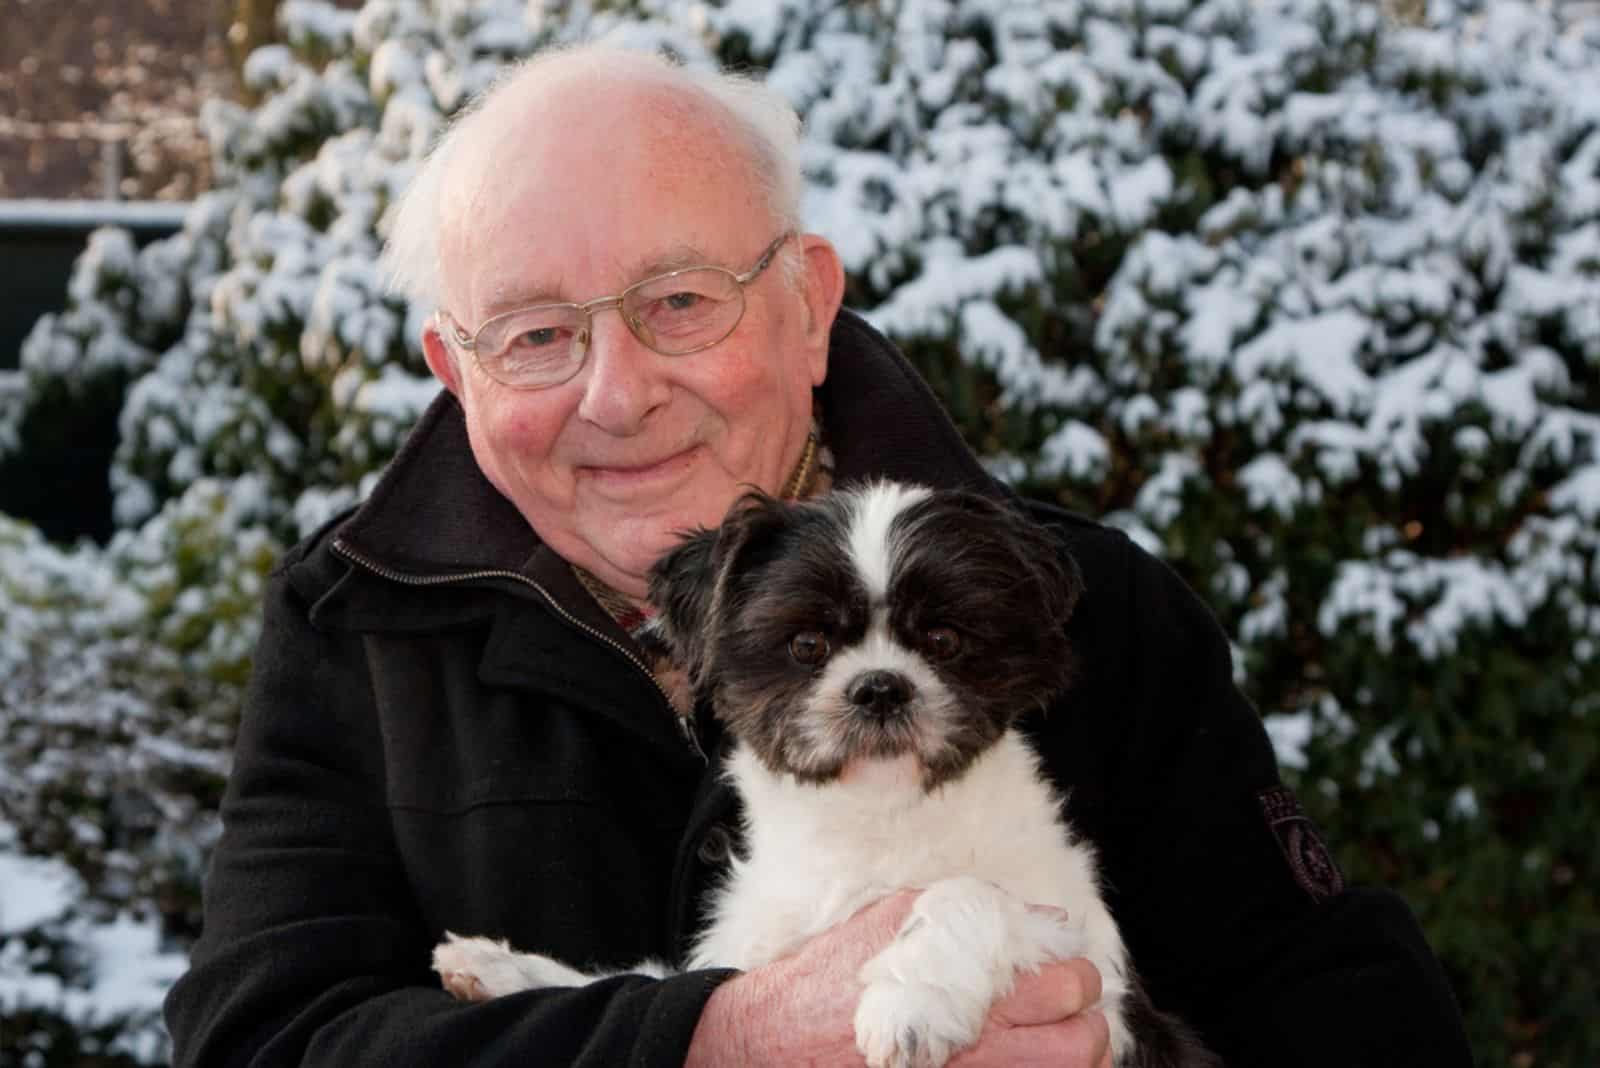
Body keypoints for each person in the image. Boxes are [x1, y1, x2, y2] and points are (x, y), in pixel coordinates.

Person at [163, 43, 1472, 1067]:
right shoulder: (360, 629)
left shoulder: (1092, 610)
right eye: (536, 333)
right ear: (455, 371)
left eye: (679, 302)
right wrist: (706, 1043)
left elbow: (1344, 1012)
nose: (617, 395)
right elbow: (262, 1040)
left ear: (808, 304)